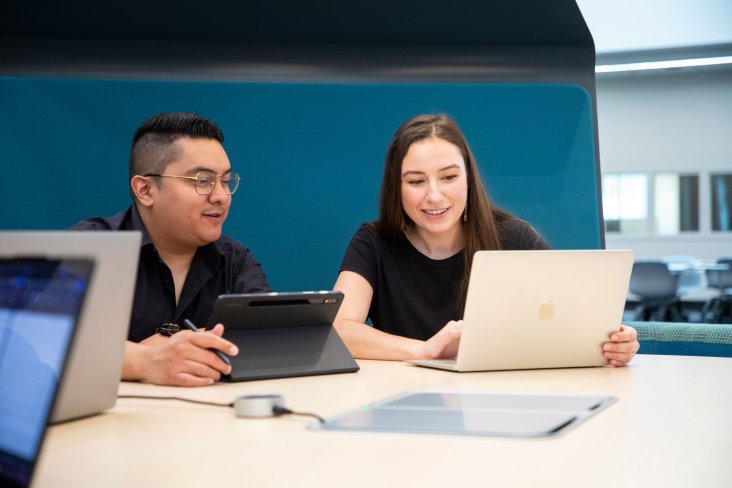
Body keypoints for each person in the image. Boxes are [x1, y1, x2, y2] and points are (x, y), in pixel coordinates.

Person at [333, 113, 639, 366]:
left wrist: (615, 341)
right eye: (416, 181)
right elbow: (339, 328)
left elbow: (579, 316)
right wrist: (423, 350)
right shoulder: (373, 242)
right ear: (396, 187)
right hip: (403, 399)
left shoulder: (514, 237)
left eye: (449, 177)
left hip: (503, 397)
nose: (434, 195)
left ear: (468, 179)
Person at [72, 112, 270, 386]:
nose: (221, 196)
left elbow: (269, 337)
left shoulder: (235, 260)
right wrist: (145, 360)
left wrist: (168, 342)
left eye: (225, 181)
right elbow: (40, 343)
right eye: (202, 180)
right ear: (145, 190)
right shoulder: (88, 250)